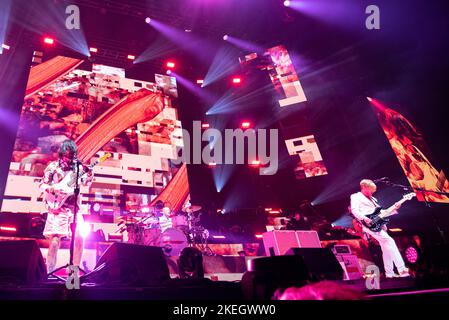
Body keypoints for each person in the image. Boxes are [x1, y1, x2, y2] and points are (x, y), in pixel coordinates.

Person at [39, 139, 93, 273]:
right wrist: (54, 189)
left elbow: (86, 182)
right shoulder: (53, 167)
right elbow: (42, 185)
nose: (70, 159)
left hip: (74, 209)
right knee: (55, 241)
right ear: (62, 155)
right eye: (68, 156)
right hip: (57, 208)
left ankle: (74, 274)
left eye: (72, 156)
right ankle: (49, 273)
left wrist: (90, 173)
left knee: (80, 238)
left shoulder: (78, 168)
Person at [350, 179, 410, 278]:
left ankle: (389, 273)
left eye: (373, 190)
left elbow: (382, 213)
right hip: (368, 224)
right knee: (390, 241)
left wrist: (395, 208)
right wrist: (365, 218)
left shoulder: (373, 200)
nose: (372, 192)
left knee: (386, 249)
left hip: (379, 225)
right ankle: (402, 269)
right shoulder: (355, 196)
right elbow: (354, 211)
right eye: (370, 189)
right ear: (364, 187)